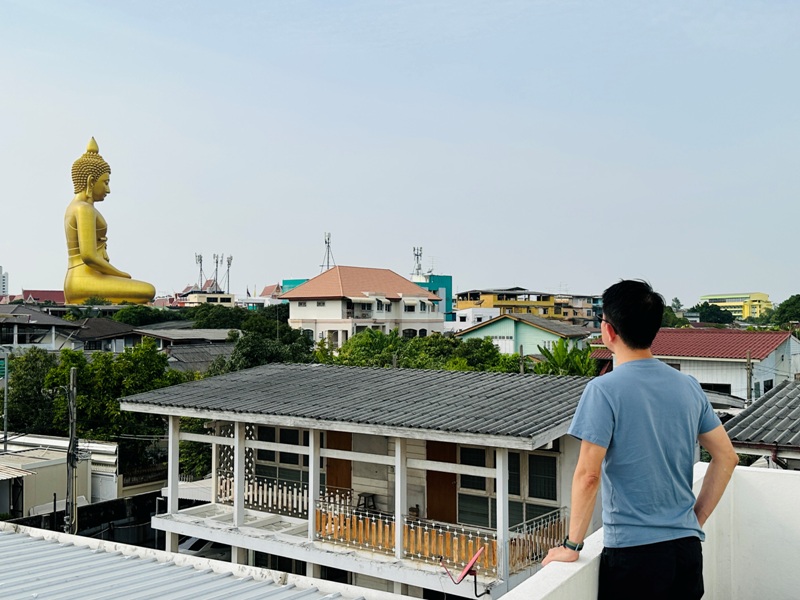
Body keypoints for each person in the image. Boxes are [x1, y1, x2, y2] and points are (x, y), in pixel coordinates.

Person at [542, 279, 738, 599]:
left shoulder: (603, 390)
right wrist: (693, 520)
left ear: (609, 331)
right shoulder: (687, 386)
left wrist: (572, 546)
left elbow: (589, 475)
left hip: (635, 557)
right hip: (686, 553)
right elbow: (727, 457)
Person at [64, 138, 155, 304]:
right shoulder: (83, 208)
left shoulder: (77, 207)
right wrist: (120, 274)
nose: (108, 189)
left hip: (85, 278)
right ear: (91, 181)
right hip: (83, 279)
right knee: (149, 290)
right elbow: (89, 256)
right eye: (105, 183)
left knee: (144, 290)